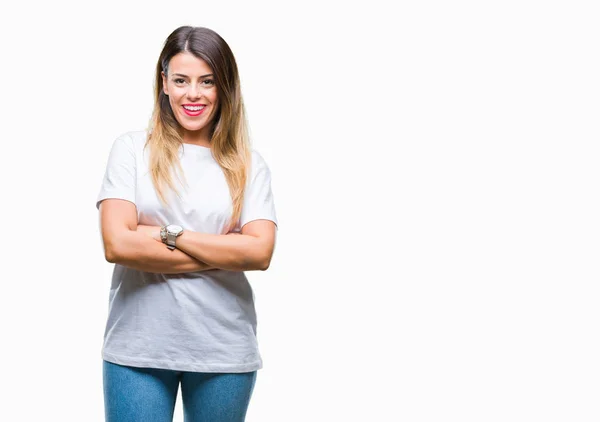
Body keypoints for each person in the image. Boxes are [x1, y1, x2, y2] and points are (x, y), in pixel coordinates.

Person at [96, 26, 278, 422]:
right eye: (181, 80)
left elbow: (260, 253)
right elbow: (117, 245)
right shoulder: (131, 149)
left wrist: (166, 234)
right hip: (137, 349)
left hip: (223, 349)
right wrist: (226, 251)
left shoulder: (249, 165)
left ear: (224, 88)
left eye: (207, 81)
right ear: (164, 83)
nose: (192, 94)